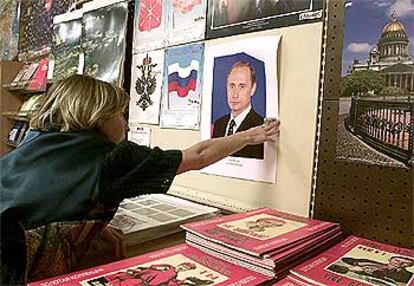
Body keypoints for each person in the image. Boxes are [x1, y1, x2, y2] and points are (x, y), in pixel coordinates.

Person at [0, 75, 280, 285]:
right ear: (99, 116)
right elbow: (198, 155)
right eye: (120, 114)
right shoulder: (111, 158)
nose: (125, 123)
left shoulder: (36, 140)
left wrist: (90, 226)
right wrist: (250, 136)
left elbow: (49, 199)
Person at [212, 61, 266, 159]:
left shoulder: (261, 126)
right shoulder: (219, 124)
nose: (235, 94)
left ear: (253, 88)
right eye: (232, 86)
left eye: (242, 86)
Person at [328, 255, 414, 285]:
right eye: (397, 260)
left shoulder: (408, 275)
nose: (399, 264)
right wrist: (367, 266)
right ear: (389, 259)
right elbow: (346, 259)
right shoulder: (370, 262)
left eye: (405, 263)